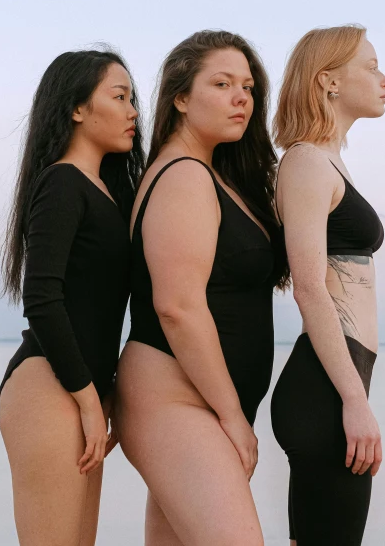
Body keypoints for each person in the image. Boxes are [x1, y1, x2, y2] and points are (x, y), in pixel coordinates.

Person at [113, 30, 288, 546]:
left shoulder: (212, 174)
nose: (242, 98)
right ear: (181, 98)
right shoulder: (184, 176)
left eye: (249, 87)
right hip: (177, 403)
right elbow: (177, 308)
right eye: (222, 83)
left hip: (197, 405)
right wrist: (233, 416)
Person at [0, 48, 144, 546]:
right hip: (51, 385)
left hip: (83, 391)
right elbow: (41, 298)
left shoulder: (106, 192)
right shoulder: (62, 182)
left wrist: (105, 395)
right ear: (77, 108)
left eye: (133, 99)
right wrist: (86, 398)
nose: (133, 112)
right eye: (119, 96)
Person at [270, 25, 385, 545]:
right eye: (370, 66)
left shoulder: (327, 162)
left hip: (336, 386)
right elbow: (309, 287)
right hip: (324, 391)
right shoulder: (304, 162)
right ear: (328, 81)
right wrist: (354, 402)